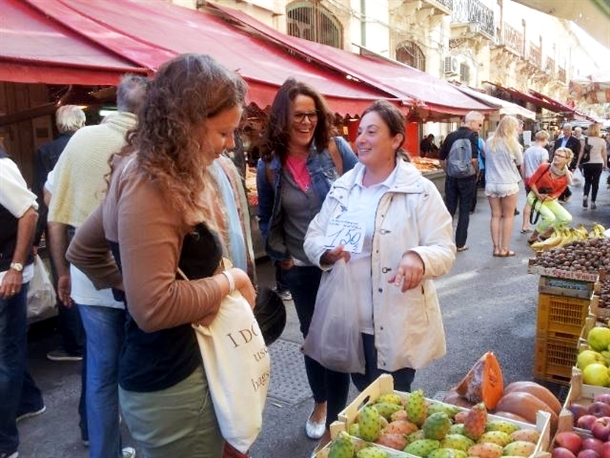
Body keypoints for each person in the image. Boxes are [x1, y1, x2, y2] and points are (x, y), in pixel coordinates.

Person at [67, 54, 256, 458]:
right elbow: (152, 308)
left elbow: (83, 248)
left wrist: (129, 283)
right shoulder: (149, 183)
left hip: (183, 370)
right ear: (186, 122)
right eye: (223, 132)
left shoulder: (155, 170)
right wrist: (230, 282)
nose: (230, 145)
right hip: (174, 383)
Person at [303, 99, 454, 420]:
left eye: (373, 132)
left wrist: (418, 257)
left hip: (396, 321)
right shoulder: (343, 188)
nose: (361, 139)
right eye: (360, 132)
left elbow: (444, 248)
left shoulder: (420, 191)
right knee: (363, 397)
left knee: (393, 409)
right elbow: (314, 235)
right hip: (349, 318)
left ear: (396, 139)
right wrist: (326, 253)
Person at [47, 75, 148, 458]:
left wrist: (62, 273)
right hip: (142, 280)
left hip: (89, 281)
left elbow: (54, 211)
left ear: (116, 104)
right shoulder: (149, 144)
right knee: (144, 370)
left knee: (101, 376)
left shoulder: (80, 140)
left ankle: (104, 451)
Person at [255, 78, 358, 451]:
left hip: (340, 264)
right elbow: (266, 217)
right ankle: (321, 403)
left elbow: (362, 192)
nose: (307, 122)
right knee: (315, 342)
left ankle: (336, 421)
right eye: (298, 115)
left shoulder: (336, 150)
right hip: (300, 267)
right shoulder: (269, 166)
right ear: (283, 117)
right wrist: (282, 259)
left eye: (312, 114)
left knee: (339, 340)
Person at [0, 146, 45, 458]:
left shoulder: (0, 166)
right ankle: (29, 401)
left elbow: (29, 211)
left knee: (5, 355)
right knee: (9, 349)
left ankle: (5, 444)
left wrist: (15, 267)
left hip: (5, 275)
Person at [33, 105, 87, 362]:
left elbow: (42, 198)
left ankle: (74, 344)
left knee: (64, 280)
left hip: (61, 228)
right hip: (90, 226)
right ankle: (90, 339)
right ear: (82, 122)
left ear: (57, 124)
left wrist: (35, 239)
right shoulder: (90, 146)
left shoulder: (46, 151)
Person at [439, 110, 484, 252]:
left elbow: (441, 159)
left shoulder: (451, 136)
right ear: (471, 122)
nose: (480, 127)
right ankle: (460, 244)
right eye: (479, 124)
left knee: (449, 209)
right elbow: (474, 159)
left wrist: (449, 171)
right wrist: (476, 172)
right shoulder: (473, 135)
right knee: (464, 210)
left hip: (452, 178)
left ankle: (442, 241)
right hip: (467, 178)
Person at [483, 115, 523, 257]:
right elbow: (520, 161)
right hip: (509, 183)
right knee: (508, 216)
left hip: (491, 183)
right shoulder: (513, 143)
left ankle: (496, 248)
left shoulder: (489, 141)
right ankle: (504, 249)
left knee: (495, 215)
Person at [527, 147, 574, 244]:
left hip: (548, 199)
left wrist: (552, 197)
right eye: (556, 154)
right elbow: (531, 182)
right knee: (550, 217)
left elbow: (560, 191)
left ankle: (546, 234)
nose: (556, 157)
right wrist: (537, 194)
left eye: (560, 156)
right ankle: (533, 236)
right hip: (534, 197)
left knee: (567, 218)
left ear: (567, 160)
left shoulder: (567, 175)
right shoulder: (545, 167)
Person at [520, 130, 550, 233]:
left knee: (529, 201)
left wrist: (524, 178)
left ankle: (525, 225)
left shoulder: (527, 150)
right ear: (544, 139)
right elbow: (544, 167)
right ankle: (545, 224)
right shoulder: (543, 151)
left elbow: (522, 166)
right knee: (542, 203)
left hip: (528, 178)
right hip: (538, 180)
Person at [575, 123, 608, 210]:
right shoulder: (602, 141)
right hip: (598, 163)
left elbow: (581, 152)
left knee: (587, 181)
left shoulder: (585, 140)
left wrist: (578, 162)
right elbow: (604, 154)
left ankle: (585, 195)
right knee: (596, 183)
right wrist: (605, 165)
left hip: (587, 163)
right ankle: (593, 202)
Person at [552, 123, 581, 202]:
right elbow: (554, 151)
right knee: (558, 180)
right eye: (565, 130)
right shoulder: (559, 141)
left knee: (563, 180)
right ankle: (566, 193)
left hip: (568, 163)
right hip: (557, 163)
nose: (566, 131)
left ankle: (562, 196)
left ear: (571, 131)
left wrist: (573, 165)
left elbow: (576, 154)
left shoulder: (575, 141)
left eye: (568, 130)